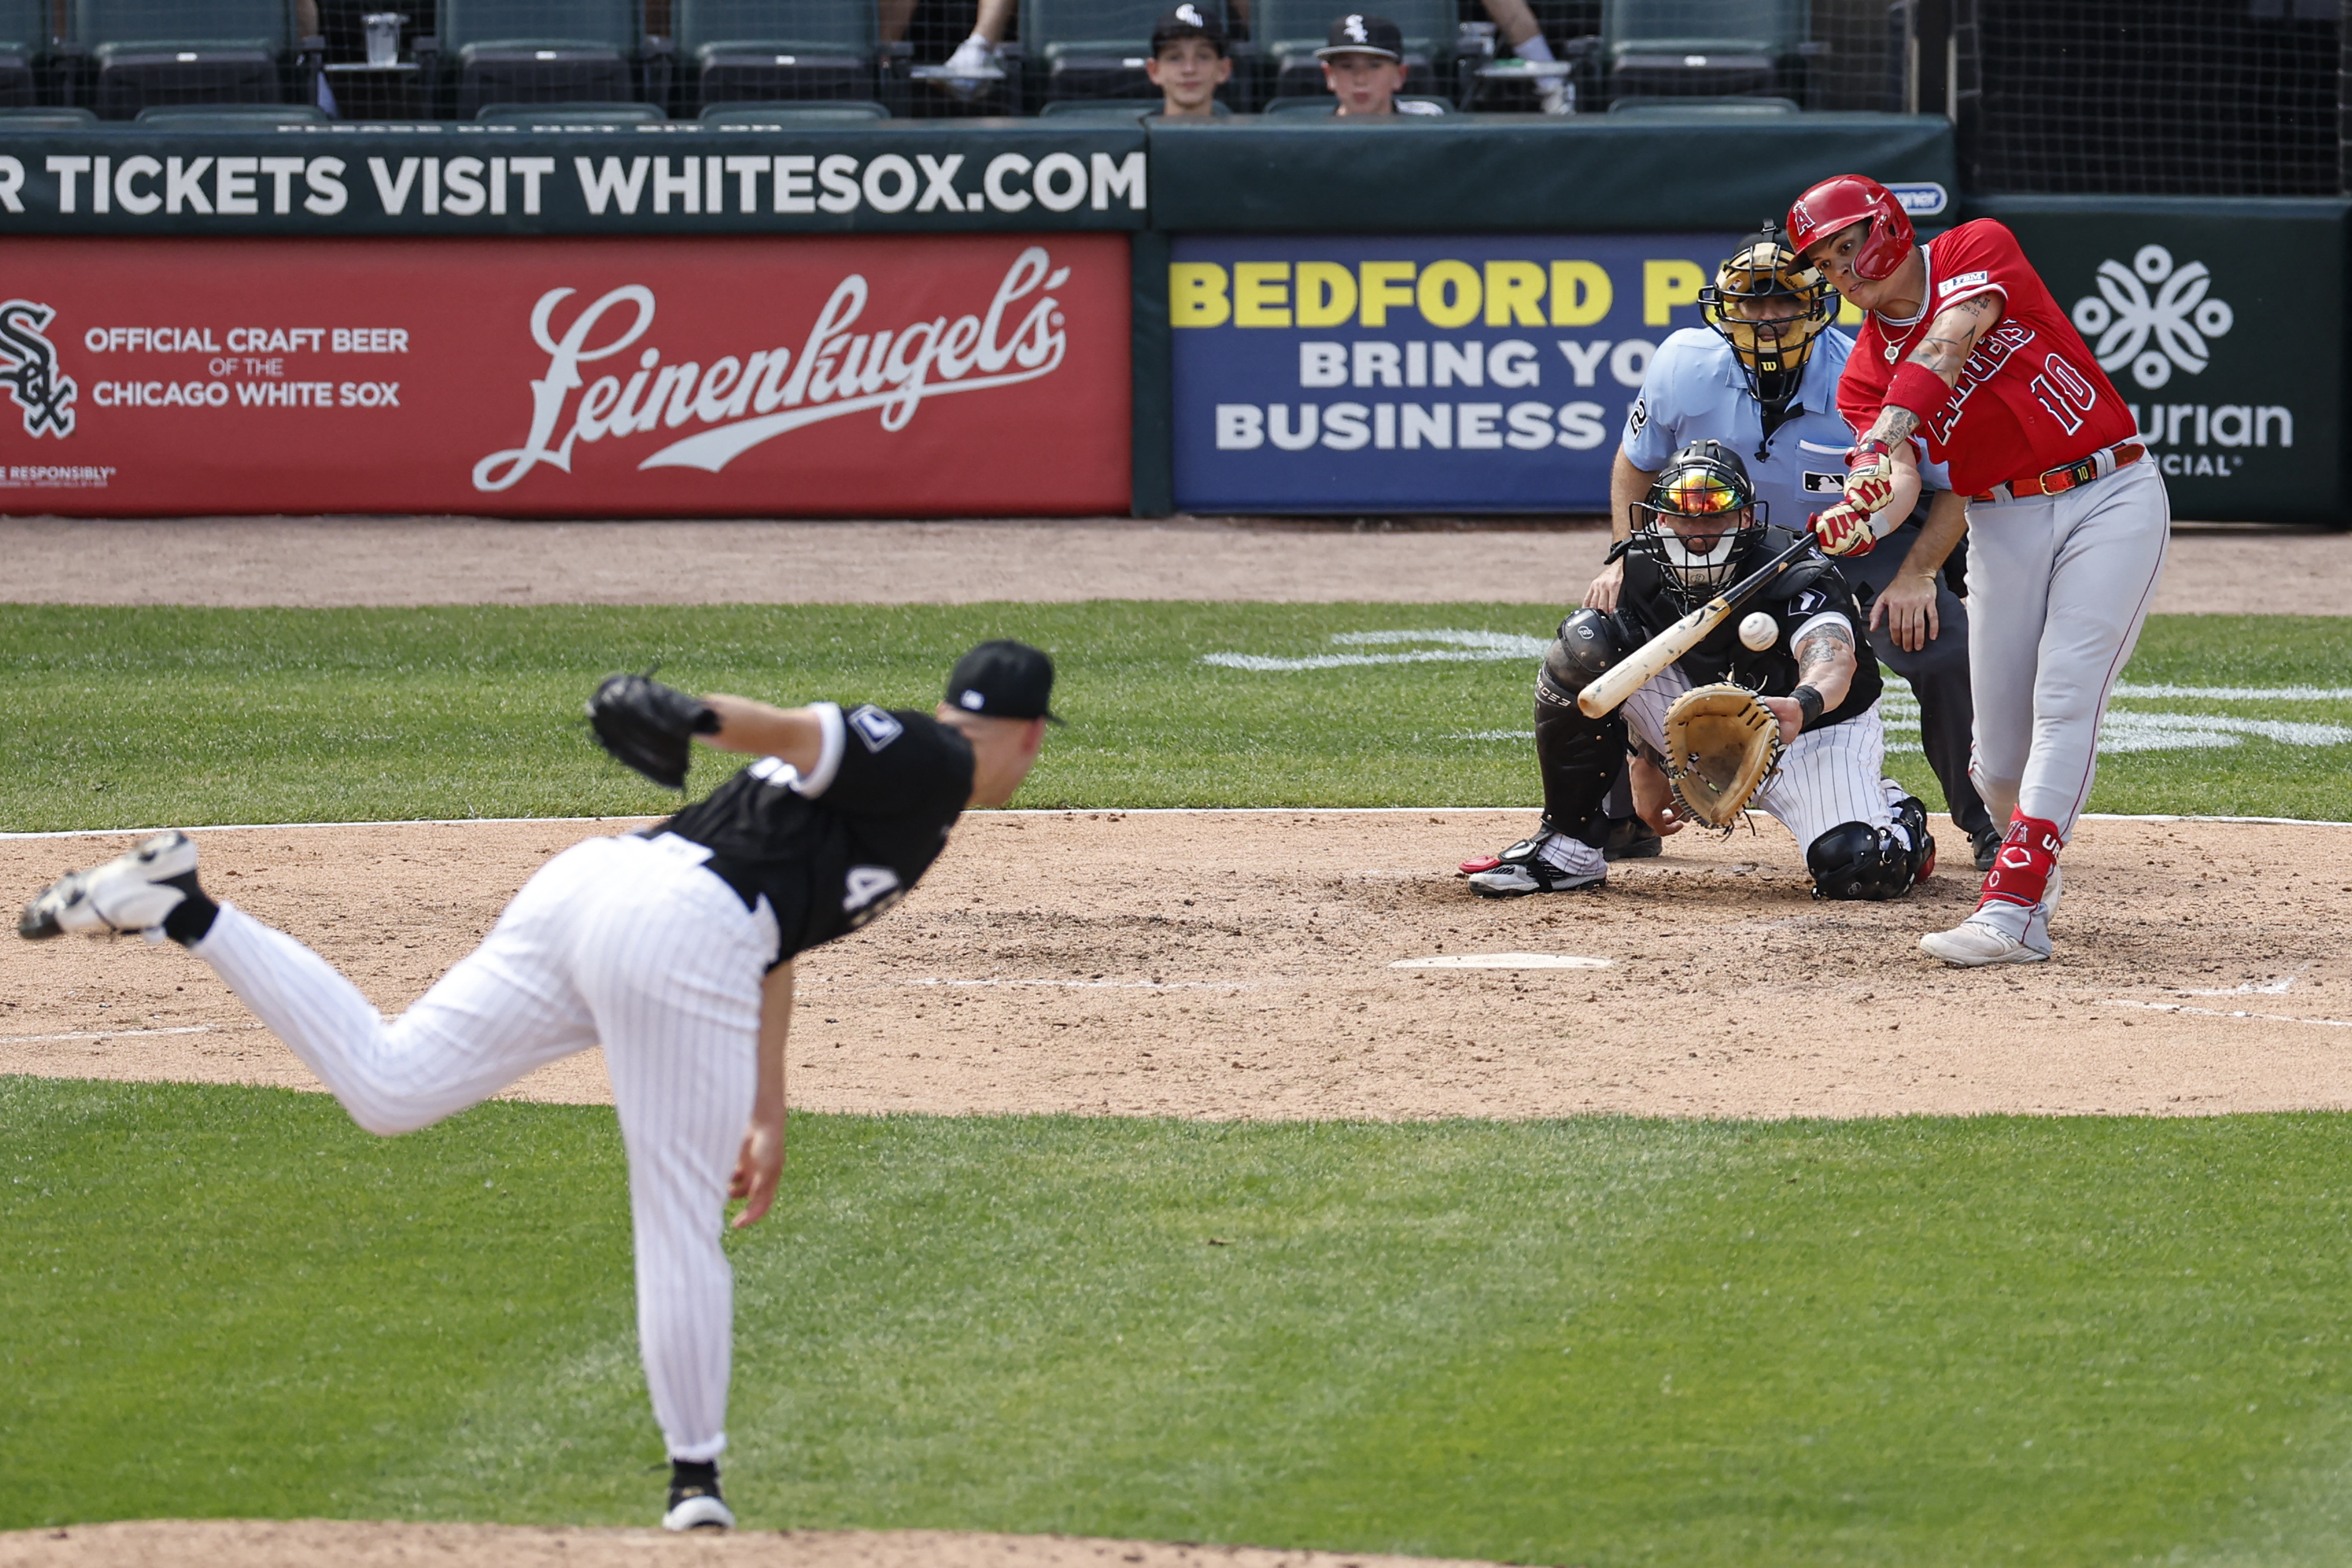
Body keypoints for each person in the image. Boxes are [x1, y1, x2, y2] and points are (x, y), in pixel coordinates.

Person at [16, 641, 1060, 1532]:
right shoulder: (931, 757)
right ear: (1025, 732)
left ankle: (181, 906)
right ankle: (696, 1485)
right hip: (678, 927)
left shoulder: (909, 794)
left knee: (391, 1087)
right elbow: (804, 729)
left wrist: (765, 1099)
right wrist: (692, 715)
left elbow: (778, 941)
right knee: (677, 1220)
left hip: (599, 889)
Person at [1788, 174, 2168, 967]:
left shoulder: (1973, 248)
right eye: (1826, 264)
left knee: (2067, 692)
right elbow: (1896, 485)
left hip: (2111, 493)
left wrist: (1883, 434)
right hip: (2002, 521)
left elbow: (1950, 339)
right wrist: (1865, 509)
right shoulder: (1861, 371)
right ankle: (2027, 861)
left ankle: (2016, 906)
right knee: (1996, 759)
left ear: (1886, 226)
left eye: (1847, 247)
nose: (1843, 273)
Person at [1583, 224, 2000, 872]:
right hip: (1726, 553)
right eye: (1752, 303)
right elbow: (1635, 463)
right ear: (1724, 306)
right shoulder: (1682, 364)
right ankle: (1610, 817)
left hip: (1853, 547)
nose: (1768, 319)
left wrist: (1918, 572)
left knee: (1943, 647)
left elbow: (1953, 484)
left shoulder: (1868, 368)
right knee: (1606, 628)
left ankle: (1987, 822)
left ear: (1818, 302)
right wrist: (1623, 555)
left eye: (1783, 302)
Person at [1465, 440, 1934, 901]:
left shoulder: (1793, 570)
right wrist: (1645, 762)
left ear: (1746, 518)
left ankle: (1896, 811)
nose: (1697, 532)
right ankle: (1569, 850)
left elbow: (1832, 658)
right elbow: (1633, 671)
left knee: (1857, 867)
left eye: (1714, 516)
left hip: (1811, 732)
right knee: (1586, 645)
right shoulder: (1641, 569)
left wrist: (1802, 703)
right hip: (1703, 712)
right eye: (1683, 516)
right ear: (1661, 519)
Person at [1317, 14, 1441, 116]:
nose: (1361, 79)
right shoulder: (1310, 133)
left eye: (1374, 66)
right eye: (1347, 66)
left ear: (1400, 75)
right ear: (1329, 75)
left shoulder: (1428, 122)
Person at [1147, 4, 1234, 118]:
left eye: (1203, 57)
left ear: (1223, 70)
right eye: (1175, 58)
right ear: (1154, 71)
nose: (1189, 69)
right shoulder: (1128, 135)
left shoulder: (1244, 135)